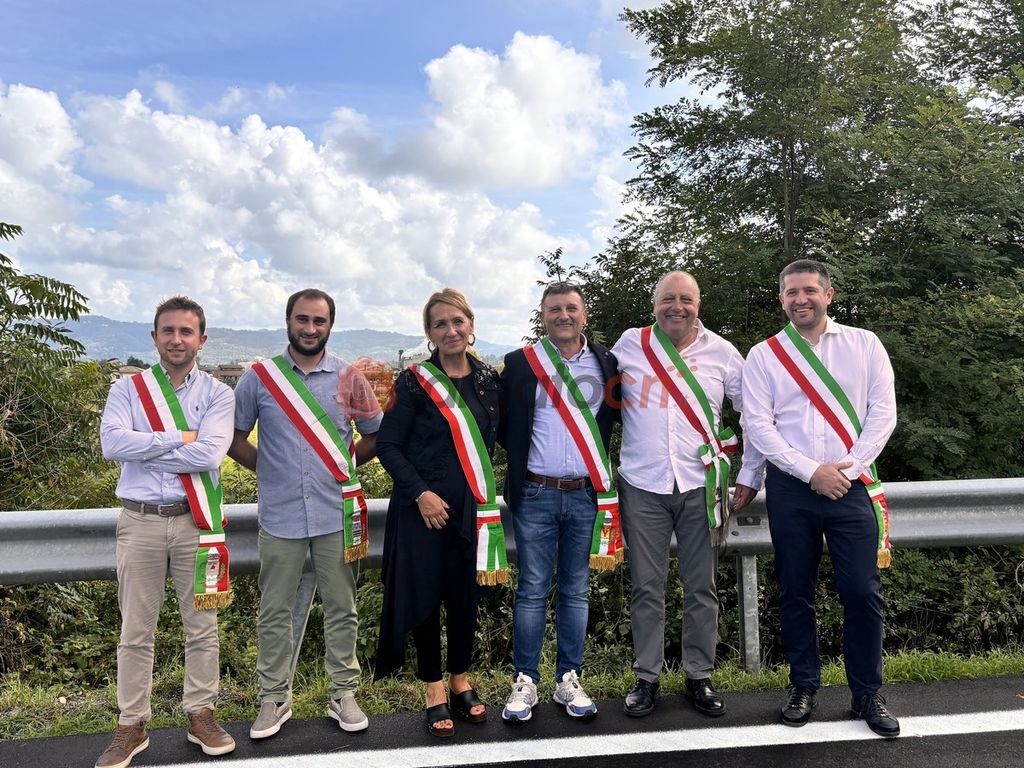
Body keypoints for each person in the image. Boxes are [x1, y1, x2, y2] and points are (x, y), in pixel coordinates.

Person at [741, 259, 899, 738]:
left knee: (862, 592)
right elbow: (759, 426)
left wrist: (846, 469)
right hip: (792, 488)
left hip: (851, 485)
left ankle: (867, 693)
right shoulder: (764, 355)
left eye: (809, 290)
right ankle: (804, 686)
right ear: (781, 299)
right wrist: (812, 472)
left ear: (829, 294)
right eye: (791, 292)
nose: (800, 299)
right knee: (795, 591)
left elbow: (883, 413)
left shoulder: (864, 344)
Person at [229, 288, 382, 739]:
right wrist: (269, 469)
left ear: (330, 325)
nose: (310, 328)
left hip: (336, 513)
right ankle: (273, 698)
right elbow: (235, 438)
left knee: (342, 607)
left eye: (319, 321)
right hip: (280, 516)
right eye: (302, 319)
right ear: (288, 322)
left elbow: (374, 434)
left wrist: (344, 468)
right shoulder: (259, 379)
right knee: (274, 610)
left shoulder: (350, 378)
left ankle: (343, 694)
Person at [612, 271, 762, 718]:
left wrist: (750, 472)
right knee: (646, 587)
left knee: (701, 586)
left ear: (699, 305)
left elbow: (753, 413)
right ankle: (646, 677)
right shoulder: (630, 345)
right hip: (642, 484)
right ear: (654, 304)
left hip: (702, 486)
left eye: (686, 299)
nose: (676, 307)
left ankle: (699, 675)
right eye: (668, 299)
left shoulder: (723, 352)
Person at [97, 296, 236, 768]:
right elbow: (112, 443)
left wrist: (146, 448)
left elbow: (210, 455)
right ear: (154, 336)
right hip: (139, 521)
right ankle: (131, 724)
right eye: (168, 331)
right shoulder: (128, 388)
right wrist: (181, 438)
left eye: (186, 331)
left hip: (196, 521)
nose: (177, 339)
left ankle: (201, 713)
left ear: (202, 339)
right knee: (136, 629)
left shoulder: (218, 394)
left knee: (202, 626)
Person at [374, 288, 502, 738]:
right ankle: (433, 689)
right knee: (426, 599)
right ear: (429, 333)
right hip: (422, 512)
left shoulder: (489, 381)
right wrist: (420, 494)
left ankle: (460, 680)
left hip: (471, 510)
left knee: (464, 597)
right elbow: (388, 446)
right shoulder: (412, 382)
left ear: (471, 325)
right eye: (440, 324)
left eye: (457, 321)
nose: (451, 330)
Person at [498, 282, 620, 723]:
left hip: (587, 494)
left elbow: (618, 419)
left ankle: (569, 677)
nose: (563, 315)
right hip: (536, 492)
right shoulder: (520, 363)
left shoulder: (607, 362)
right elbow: (504, 425)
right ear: (543, 316)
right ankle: (525, 680)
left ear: (584, 315)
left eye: (571, 308)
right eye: (554, 309)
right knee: (532, 589)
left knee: (575, 589)